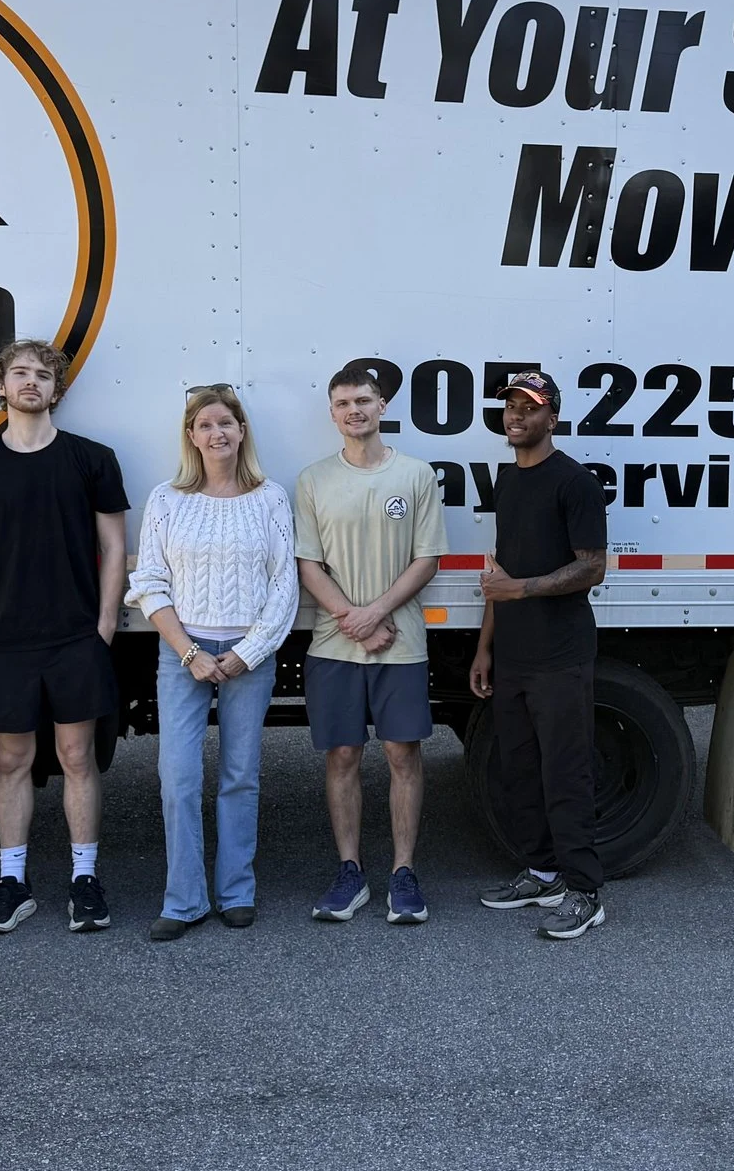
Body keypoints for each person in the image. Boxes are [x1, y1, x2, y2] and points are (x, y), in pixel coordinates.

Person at [0, 340, 130, 937]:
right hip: (1, 641)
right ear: (1, 386)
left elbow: (115, 547)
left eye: (43, 376)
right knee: (11, 759)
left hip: (75, 637)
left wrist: (103, 625)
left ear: (56, 391)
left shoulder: (91, 459)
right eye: (19, 373)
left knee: (77, 757)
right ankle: (13, 882)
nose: (31, 383)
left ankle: (84, 880)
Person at [129, 384, 295, 940]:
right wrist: (191, 652)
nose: (216, 433)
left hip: (252, 653)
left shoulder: (270, 497)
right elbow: (150, 584)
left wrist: (246, 653)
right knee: (177, 776)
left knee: (239, 776)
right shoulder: (168, 499)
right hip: (184, 653)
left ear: (242, 431)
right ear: (191, 437)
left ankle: (236, 891)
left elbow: (284, 587)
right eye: (204, 425)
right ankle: (183, 900)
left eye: (225, 422)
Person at [295, 362, 449, 925]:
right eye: (342, 404)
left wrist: (378, 613)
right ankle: (350, 871)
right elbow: (308, 564)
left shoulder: (415, 474)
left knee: (403, 754)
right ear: (332, 414)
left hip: (400, 643)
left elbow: (428, 557)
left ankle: (403, 874)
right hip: (336, 645)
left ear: (382, 405)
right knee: (342, 755)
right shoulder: (313, 480)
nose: (353, 410)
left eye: (363, 400)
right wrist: (353, 618)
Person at [470, 371, 610, 941]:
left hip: (561, 654)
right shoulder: (508, 483)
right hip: (514, 656)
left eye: (529, 408)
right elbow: (498, 575)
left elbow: (593, 566)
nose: (515, 416)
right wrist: (485, 649)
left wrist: (521, 591)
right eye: (509, 406)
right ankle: (542, 871)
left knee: (566, 774)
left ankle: (585, 892)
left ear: (551, 418)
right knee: (519, 769)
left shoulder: (574, 482)